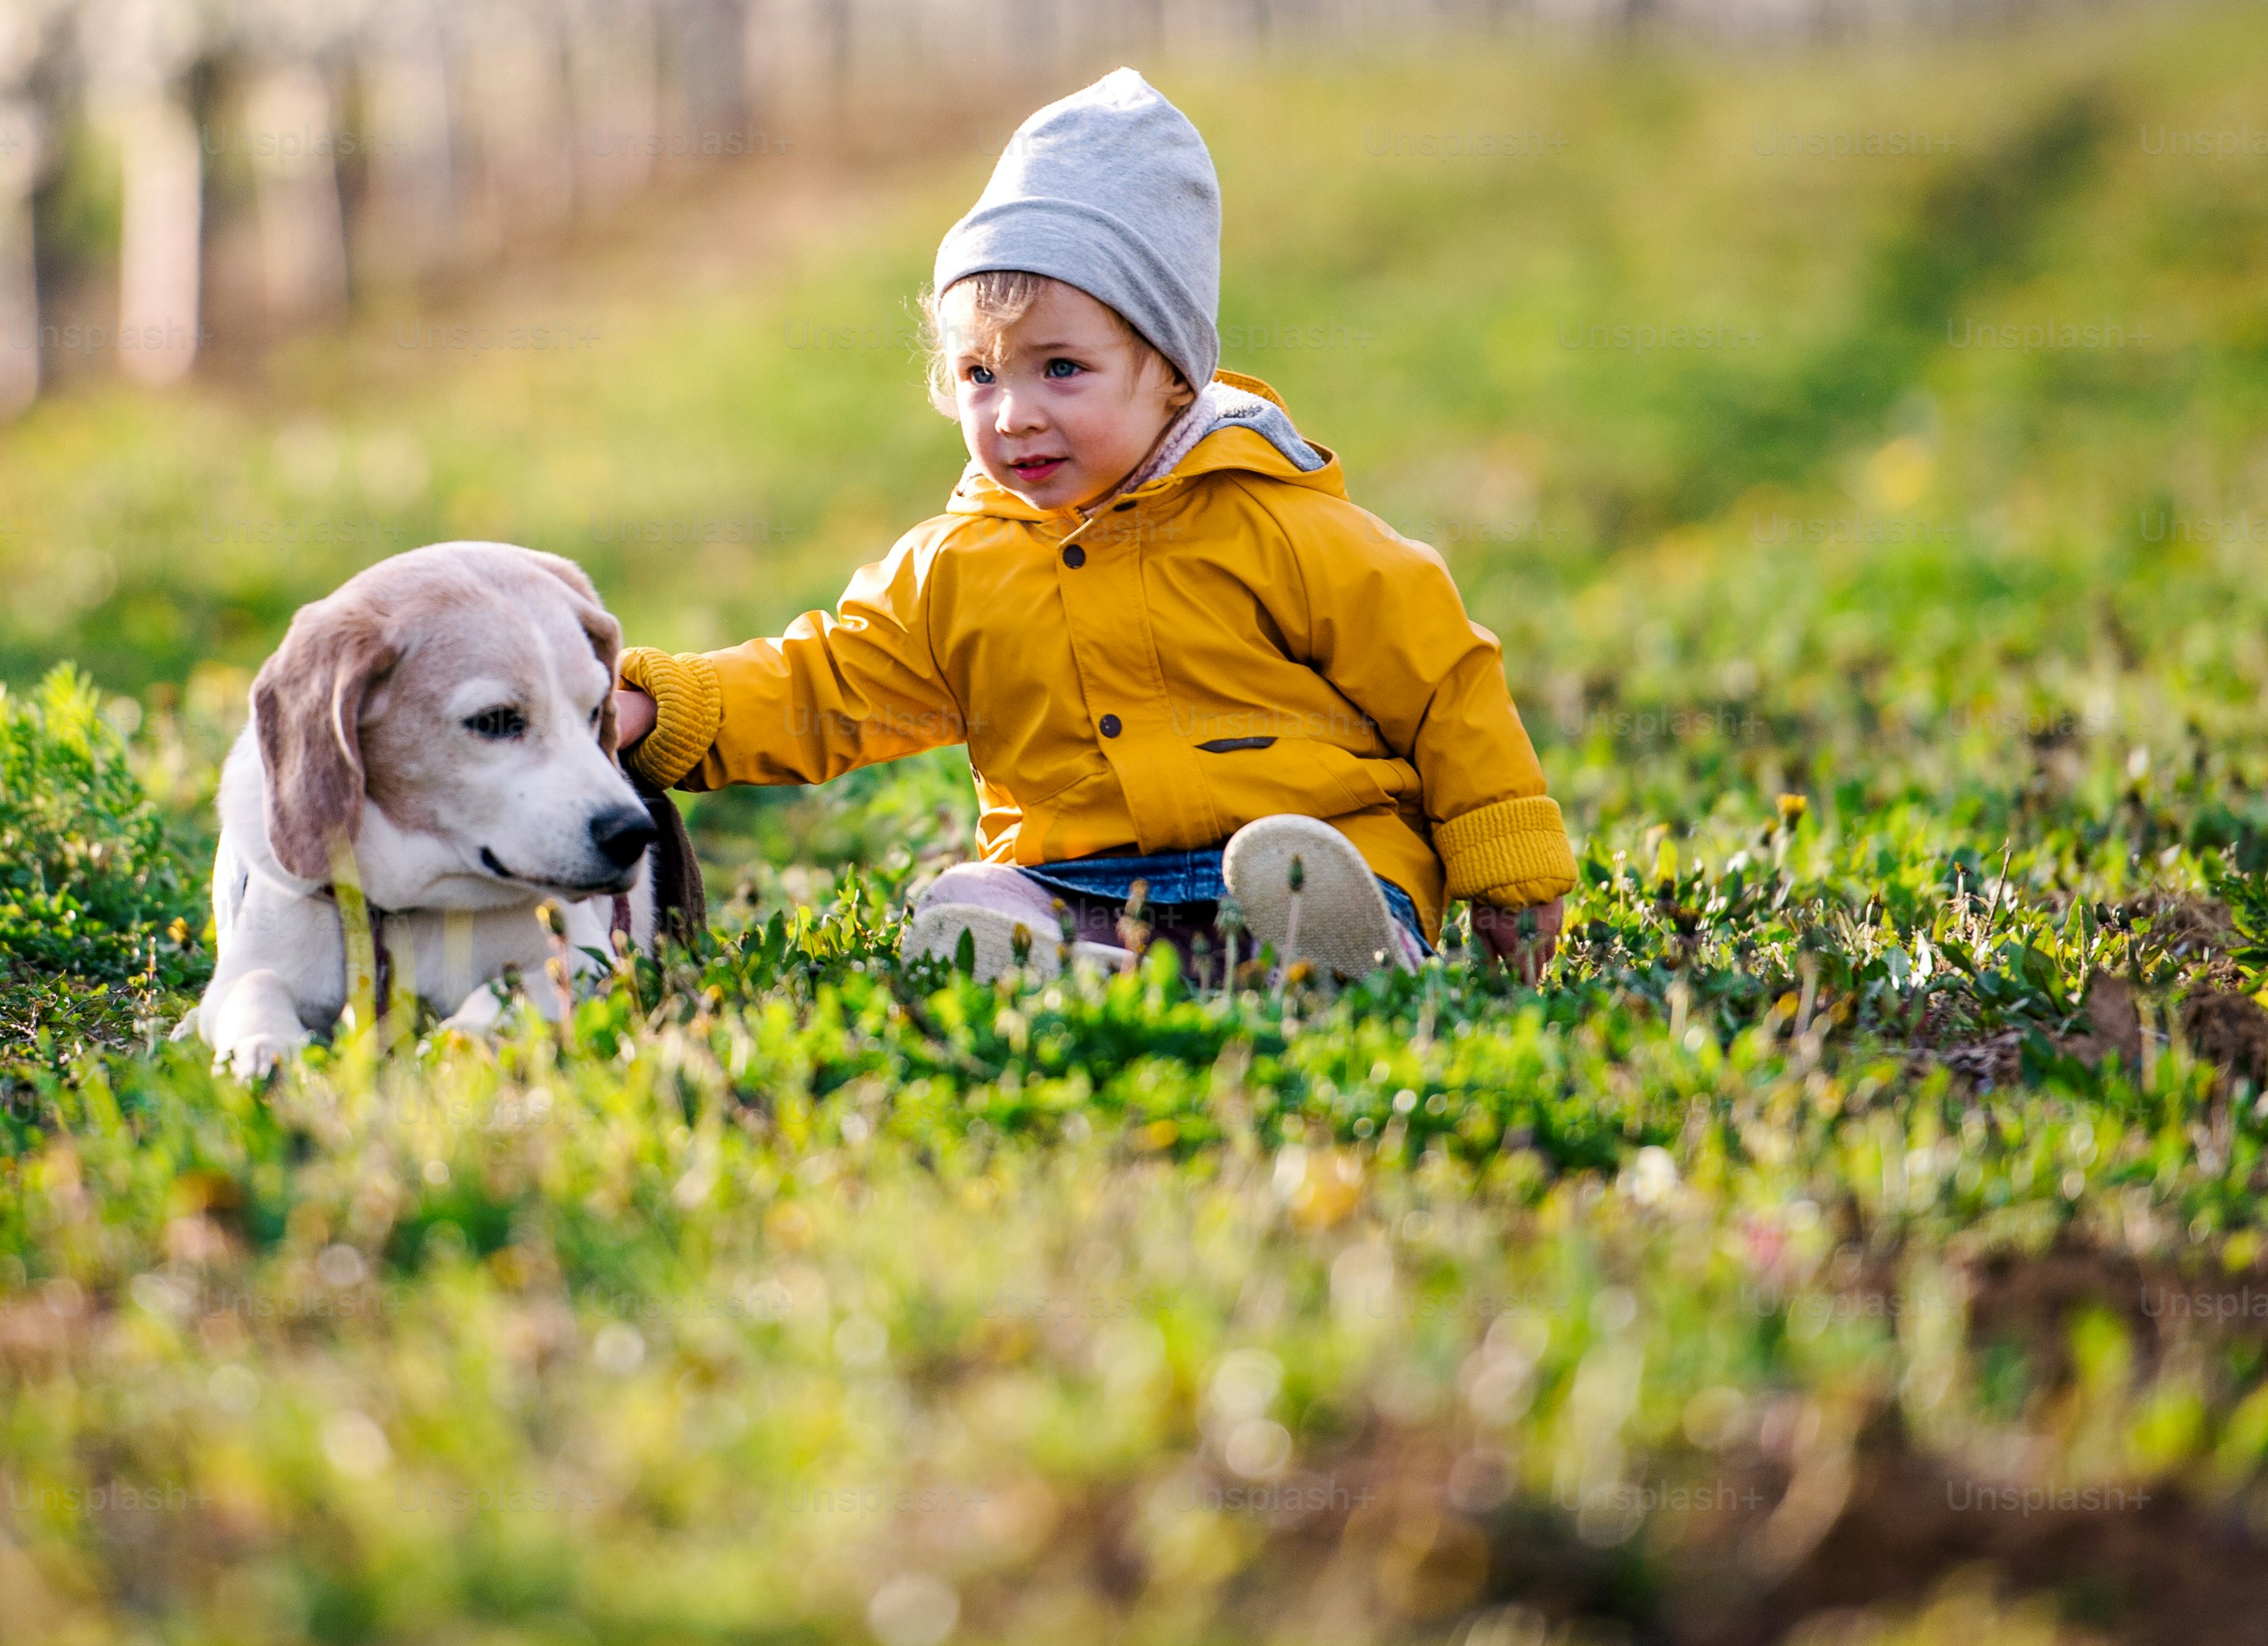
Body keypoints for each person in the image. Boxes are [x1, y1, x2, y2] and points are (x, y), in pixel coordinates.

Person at [604, 69, 1577, 984]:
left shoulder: (1274, 520)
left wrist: (1506, 863)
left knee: (1304, 877)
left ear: (1170, 372)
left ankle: (1340, 947)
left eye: (1060, 368)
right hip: (1093, 880)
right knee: (971, 892)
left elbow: (1441, 682)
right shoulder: (958, 567)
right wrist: (666, 709)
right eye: (980, 376)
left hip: (1311, 846)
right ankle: (1082, 960)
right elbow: (826, 680)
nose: (1014, 413)